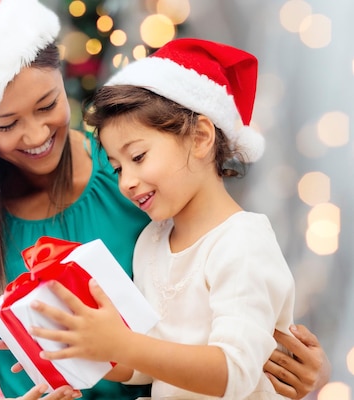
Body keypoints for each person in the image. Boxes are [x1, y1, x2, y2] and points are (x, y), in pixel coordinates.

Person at [0, 0, 331, 398]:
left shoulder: (135, 168)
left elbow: (238, 323)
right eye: (7, 125)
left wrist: (302, 368)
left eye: (47, 105)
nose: (36, 134)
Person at [27, 38, 327, 399]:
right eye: (118, 168)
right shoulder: (151, 242)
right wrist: (83, 342)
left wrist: (123, 344)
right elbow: (145, 364)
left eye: (138, 157)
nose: (127, 182)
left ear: (200, 137)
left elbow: (234, 374)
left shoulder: (243, 243)